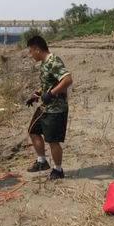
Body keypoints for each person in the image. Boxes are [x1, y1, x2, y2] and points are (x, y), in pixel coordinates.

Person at [25, 35, 73, 180]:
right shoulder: (44, 63)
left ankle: (58, 170)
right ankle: (42, 161)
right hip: (45, 107)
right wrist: (37, 94)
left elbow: (67, 79)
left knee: (53, 140)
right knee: (33, 131)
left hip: (56, 108)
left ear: (37, 49)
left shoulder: (53, 61)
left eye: (31, 51)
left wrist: (51, 94)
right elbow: (48, 82)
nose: (30, 55)